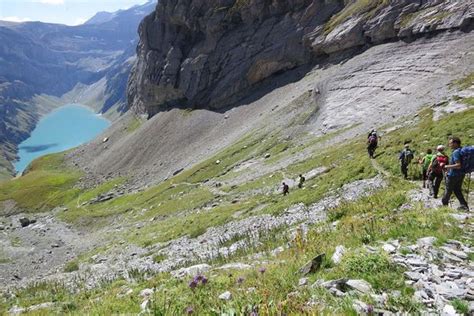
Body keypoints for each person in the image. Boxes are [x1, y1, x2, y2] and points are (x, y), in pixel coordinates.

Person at [442, 137, 469, 210]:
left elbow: (458, 165)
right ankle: (464, 206)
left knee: (448, 190)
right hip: (461, 174)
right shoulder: (461, 150)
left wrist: (447, 166)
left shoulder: (456, 152)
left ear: (455, 143)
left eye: (450, 143)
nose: (449, 144)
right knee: (457, 190)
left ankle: (444, 206)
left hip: (453, 175)